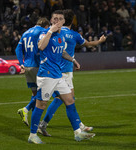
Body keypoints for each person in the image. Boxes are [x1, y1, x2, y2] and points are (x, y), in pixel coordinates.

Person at [28, 10, 95, 144]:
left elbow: (61, 51)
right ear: (51, 20)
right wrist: (50, 31)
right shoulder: (44, 33)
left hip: (58, 75)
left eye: (60, 19)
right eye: (54, 19)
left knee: (70, 100)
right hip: (47, 76)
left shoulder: (61, 36)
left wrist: (72, 60)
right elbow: (41, 46)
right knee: (41, 105)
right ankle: (32, 135)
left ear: (64, 22)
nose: (57, 21)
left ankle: (77, 133)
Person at [38, 9, 106, 137]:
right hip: (65, 71)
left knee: (66, 99)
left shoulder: (55, 31)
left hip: (54, 68)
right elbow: (89, 44)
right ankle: (44, 125)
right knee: (63, 99)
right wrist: (100, 41)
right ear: (72, 21)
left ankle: (78, 125)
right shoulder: (74, 35)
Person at [16, 17, 50, 126]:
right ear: (45, 25)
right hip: (37, 65)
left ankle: (33, 121)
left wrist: (21, 63)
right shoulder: (42, 31)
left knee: (35, 93)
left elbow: (18, 49)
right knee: (43, 94)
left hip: (27, 66)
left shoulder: (26, 32)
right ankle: (25, 109)